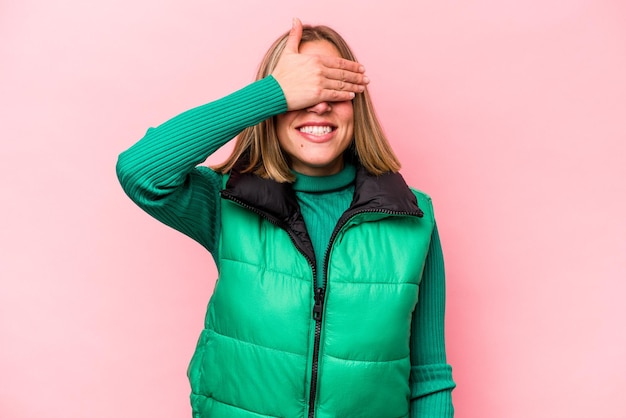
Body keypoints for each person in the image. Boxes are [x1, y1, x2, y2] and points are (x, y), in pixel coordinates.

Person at [117, 18, 455, 418]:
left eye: (334, 88)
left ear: (357, 105)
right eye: (304, 91)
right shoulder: (227, 202)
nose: (320, 104)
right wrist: (273, 92)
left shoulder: (413, 218)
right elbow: (141, 171)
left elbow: (429, 376)